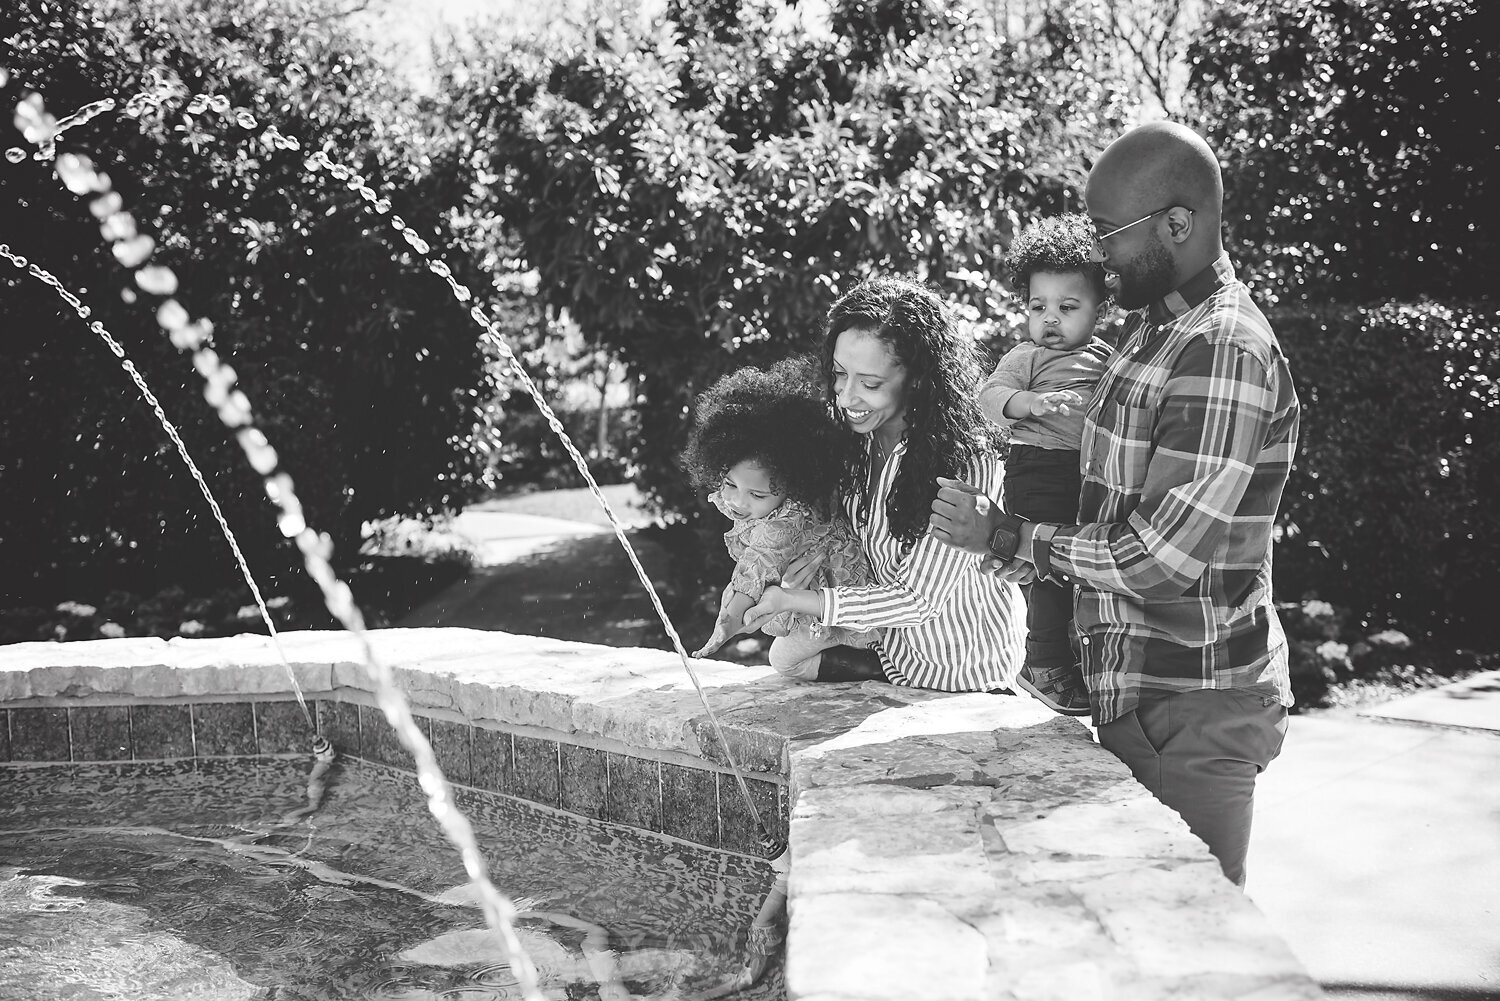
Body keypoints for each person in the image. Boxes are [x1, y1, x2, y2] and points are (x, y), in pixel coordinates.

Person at [929, 121, 1300, 887]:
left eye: (1108, 233)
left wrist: (1011, 535)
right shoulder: (1149, 334)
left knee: (1185, 950)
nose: (1096, 256)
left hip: (1189, 703)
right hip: (1144, 693)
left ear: (1176, 224)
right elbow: (1096, 496)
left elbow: (1158, 558)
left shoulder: (1219, 346)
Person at [740, 276, 1026, 691]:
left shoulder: (963, 464)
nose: (845, 397)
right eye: (840, 374)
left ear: (919, 380)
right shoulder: (854, 445)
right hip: (892, 663)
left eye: (870, 384)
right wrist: (798, 574)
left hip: (964, 680)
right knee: (785, 659)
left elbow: (917, 600)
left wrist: (800, 601)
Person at [977, 213, 1113, 716]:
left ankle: (1069, 658)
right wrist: (1027, 404)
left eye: (1067, 306)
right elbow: (988, 396)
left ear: (1099, 309)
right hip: (1036, 467)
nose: (1049, 319)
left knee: (1077, 565)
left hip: (1085, 476)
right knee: (1048, 568)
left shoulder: (1107, 359)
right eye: (1039, 307)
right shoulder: (1027, 356)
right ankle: (1043, 663)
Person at [683, 356, 881, 680]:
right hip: (811, 598)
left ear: (793, 485)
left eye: (757, 495)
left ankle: (879, 670)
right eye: (729, 483)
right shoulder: (766, 505)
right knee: (781, 640)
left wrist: (730, 619)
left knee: (783, 659)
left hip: (840, 606)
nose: (737, 500)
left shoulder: (784, 522)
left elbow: (757, 565)